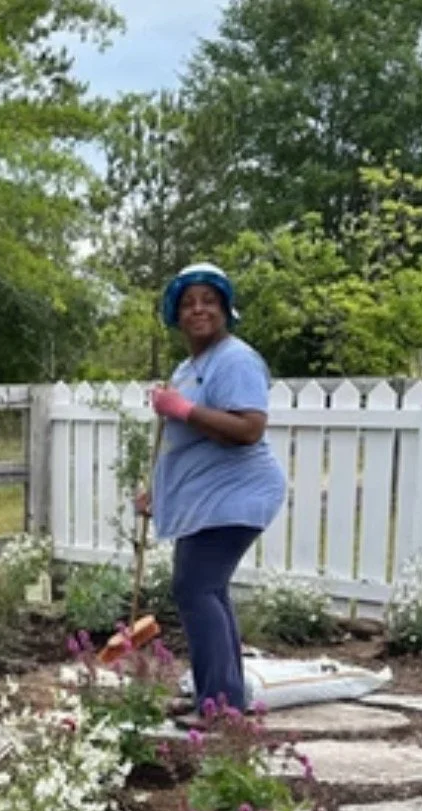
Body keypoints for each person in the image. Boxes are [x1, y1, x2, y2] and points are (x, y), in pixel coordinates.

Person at [139, 262, 286, 716]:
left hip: (238, 494)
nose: (198, 309)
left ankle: (220, 706)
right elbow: (185, 446)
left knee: (195, 588)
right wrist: (156, 493)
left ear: (225, 309)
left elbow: (248, 429)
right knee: (208, 591)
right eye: (188, 303)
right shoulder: (190, 365)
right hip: (209, 499)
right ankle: (220, 699)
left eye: (208, 300)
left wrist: (181, 409)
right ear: (175, 314)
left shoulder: (235, 358)